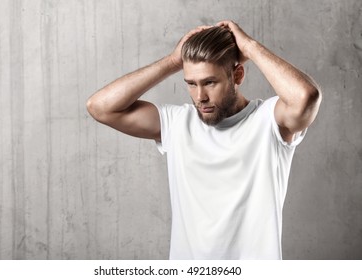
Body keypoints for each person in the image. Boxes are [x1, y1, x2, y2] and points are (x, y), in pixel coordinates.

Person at [87, 20, 322, 260]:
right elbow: (100, 107)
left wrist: (250, 47)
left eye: (210, 82)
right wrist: (172, 62)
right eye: (191, 84)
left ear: (237, 75)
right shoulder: (176, 123)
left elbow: (306, 97)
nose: (200, 97)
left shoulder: (269, 121)